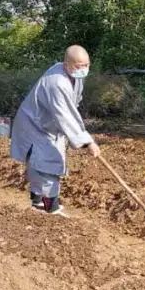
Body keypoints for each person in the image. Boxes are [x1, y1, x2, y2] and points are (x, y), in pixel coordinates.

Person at [10, 46, 100, 216]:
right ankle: (50, 208)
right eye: (78, 65)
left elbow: (72, 104)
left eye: (86, 65)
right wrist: (88, 141)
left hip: (49, 125)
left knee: (40, 164)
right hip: (35, 125)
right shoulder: (57, 82)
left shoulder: (74, 74)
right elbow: (65, 113)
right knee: (48, 164)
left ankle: (38, 203)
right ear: (66, 64)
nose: (83, 70)